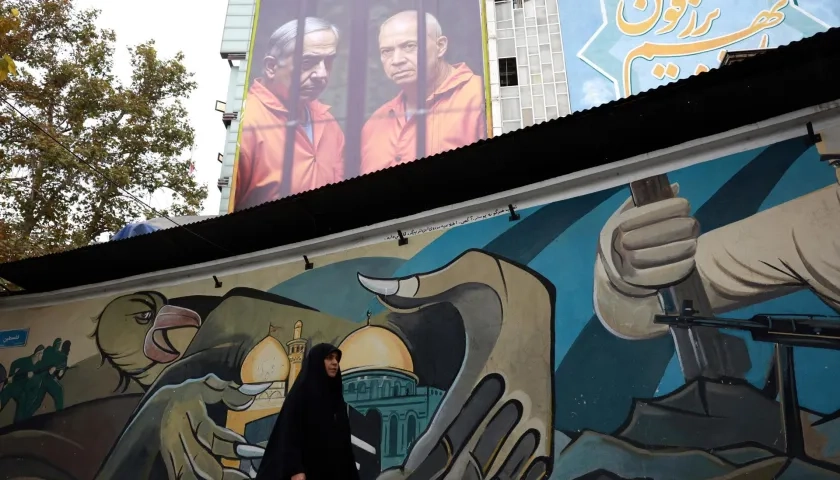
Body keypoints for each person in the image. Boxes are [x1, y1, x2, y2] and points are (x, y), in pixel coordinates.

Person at [234, 17, 346, 212]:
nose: (322, 74)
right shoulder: (245, 123)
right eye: (308, 62)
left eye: (328, 62)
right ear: (271, 67)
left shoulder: (328, 123)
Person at [360, 10, 486, 175]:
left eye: (409, 46)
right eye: (387, 51)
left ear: (440, 47)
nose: (397, 60)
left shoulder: (480, 95)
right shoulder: (374, 124)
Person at [256, 343, 359, 480]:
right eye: (329, 358)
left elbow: (344, 444)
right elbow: (289, 435)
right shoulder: (300, 396)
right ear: (317, 361)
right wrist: (295, 470)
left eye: (336, 359)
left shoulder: (336, 401)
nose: (335, 363)